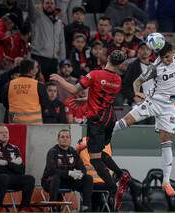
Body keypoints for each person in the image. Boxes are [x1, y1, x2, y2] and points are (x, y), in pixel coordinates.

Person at [112, 41, 175, 197]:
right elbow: (137, 82)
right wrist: (138, 95)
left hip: (168, 107)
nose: (167, 60)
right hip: (153, 102)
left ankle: (166, 181)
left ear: (172, 52)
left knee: (166, 143)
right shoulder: (155, 67)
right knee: (126, 122)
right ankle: (99, 135)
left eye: (168, 56)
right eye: (164, 58)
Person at [50, 50, 131, 211]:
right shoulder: (117, 79)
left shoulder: (95, 74)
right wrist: (86, 99)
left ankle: (113, 187)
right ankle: (122, 175)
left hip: (97, 121)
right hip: (110, 119)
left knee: (95, 159)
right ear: (120, 64)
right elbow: (103, 96)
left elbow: (73, 90)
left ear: (108, 58)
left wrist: (59, 79)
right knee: (100, 153)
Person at [41, 129, 92, 212]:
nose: (65, 139)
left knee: (88, 178)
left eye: (67, 137)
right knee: (56, 177)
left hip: (67, 182)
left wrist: (79, 173)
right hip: (50, 182)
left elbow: (82, 168)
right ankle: (53, 206)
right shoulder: (52, 152)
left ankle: (86, 207)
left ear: (70, 140)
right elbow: (51, 170)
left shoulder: (73, 152)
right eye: (62, 137)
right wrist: (69, 173)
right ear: (58, 139)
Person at [0, 125, 35, 211]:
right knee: (4, 177)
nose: (5, 134)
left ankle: (24, 207)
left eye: (6, 132)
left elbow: (21, 170)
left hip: (12, 178)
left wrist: (6, 163)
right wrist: (13, 163)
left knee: (30, 178)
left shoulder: (15, 149)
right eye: (1, 133)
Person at [28, 0, 66, 81]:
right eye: (47, 3)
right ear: (42, 5)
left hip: (54, 61)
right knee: (38, 85)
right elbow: (31, 8)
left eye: (52, 3)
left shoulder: (59, 22)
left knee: (51, 87)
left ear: (55, 5)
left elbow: (61, 42)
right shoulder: (37, 16)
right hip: (39, 58)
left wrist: (62, 60)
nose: (50, 5)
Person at [3, 59, 50, 124]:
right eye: (35, 68)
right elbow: (45, 104)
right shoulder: (39, 85)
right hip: (34, 125)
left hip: (15, 124)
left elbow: (5, 103)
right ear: (31, 70)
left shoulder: (9, 85)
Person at [122, 41, 153, 107]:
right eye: (142, 48)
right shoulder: (133, 66)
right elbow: (125, 86)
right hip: (139, 102)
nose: (145, 51)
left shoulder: (155, 66)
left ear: (151, 51)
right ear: (138, 50)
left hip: (154, 101)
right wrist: (134, 98)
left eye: (148, 49)